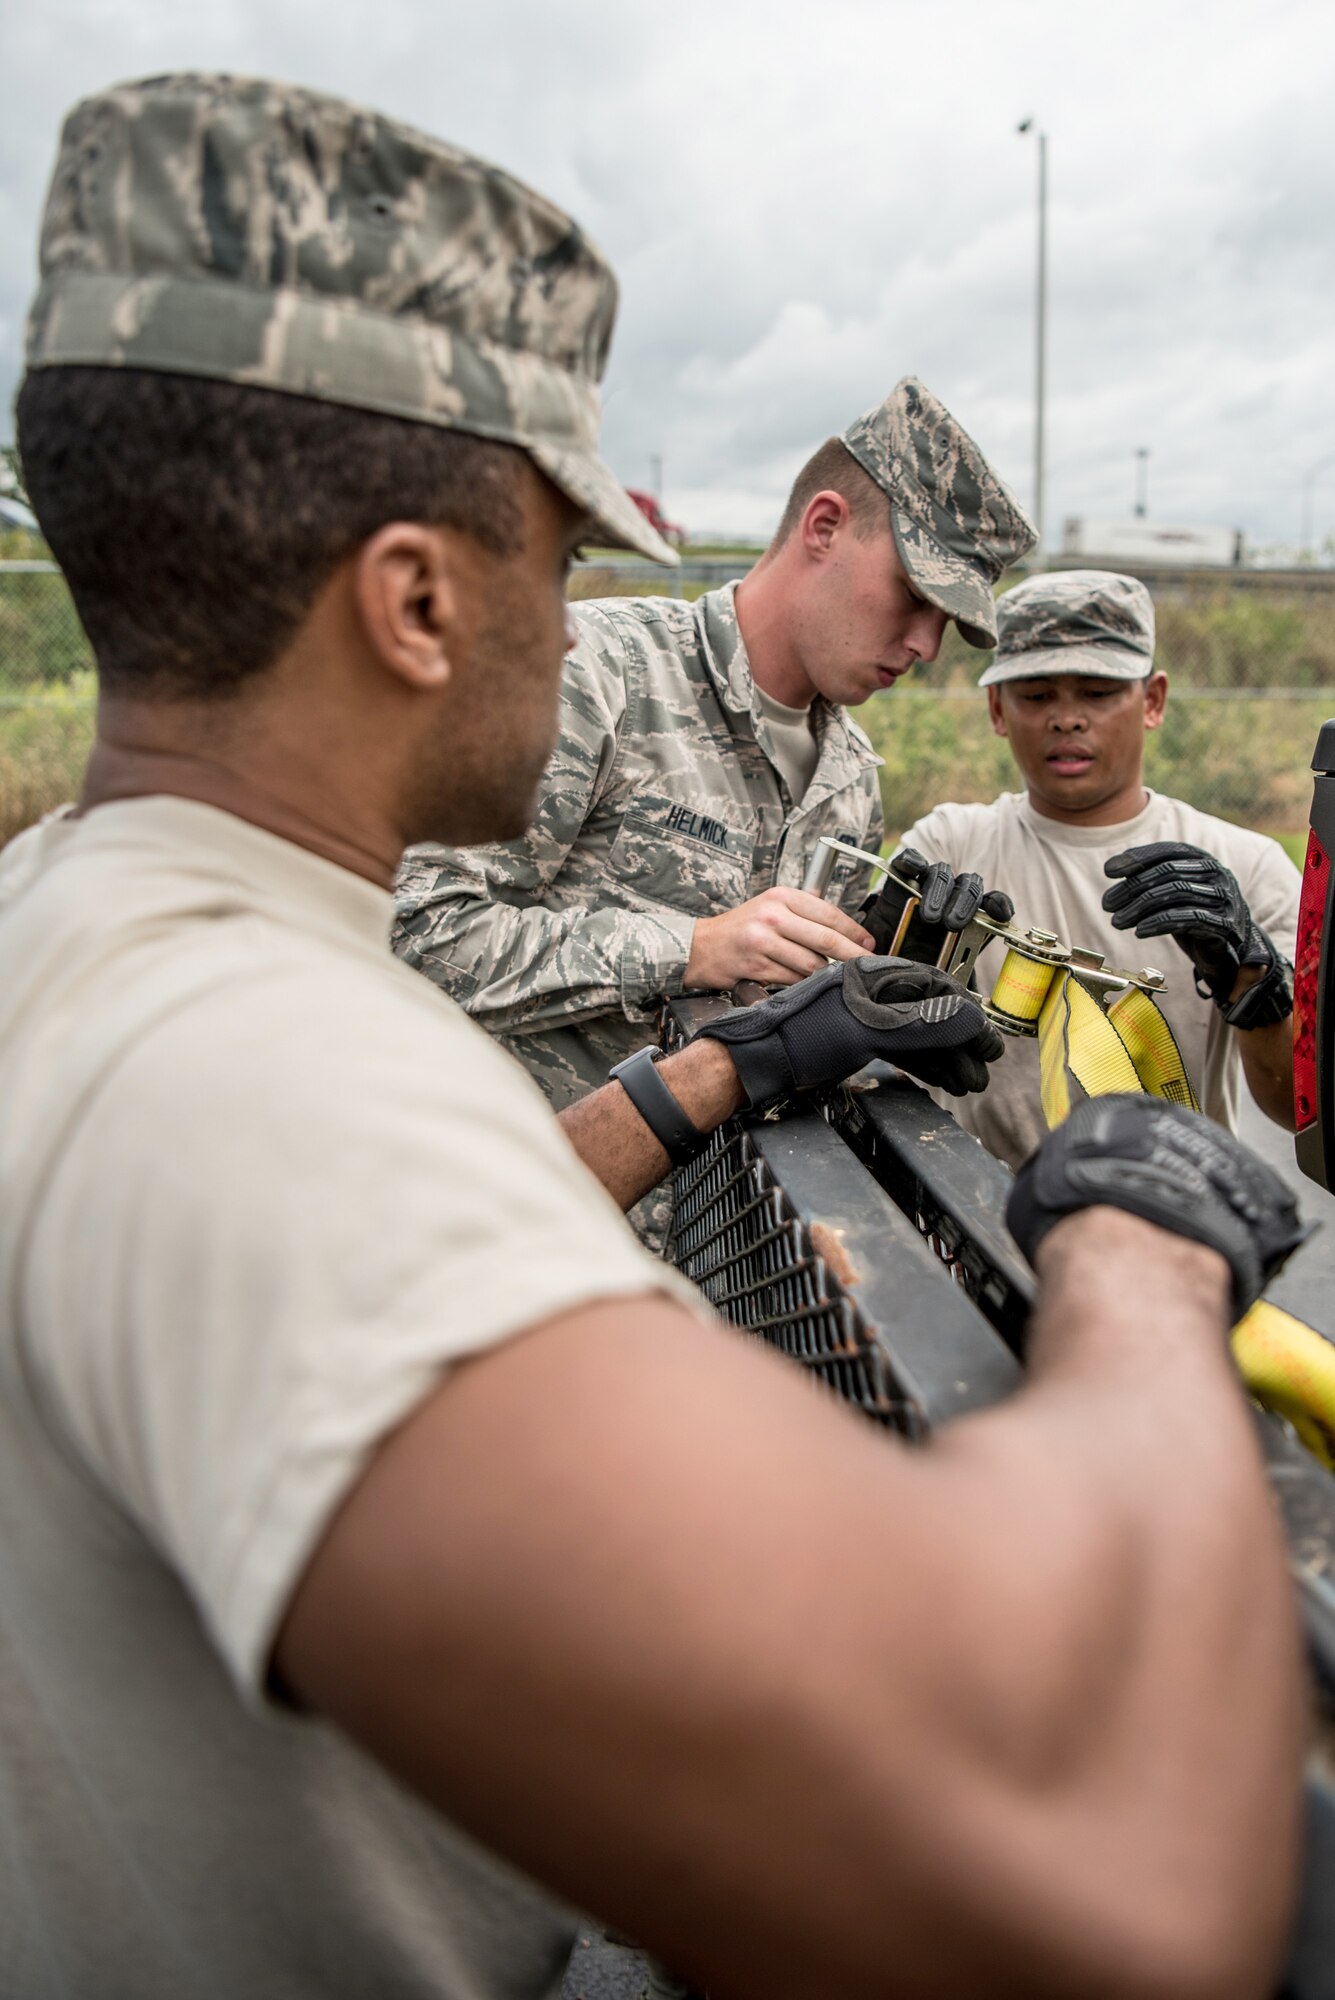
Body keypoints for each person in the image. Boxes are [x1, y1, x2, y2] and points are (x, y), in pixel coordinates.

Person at [0, 73, 1308, 2000]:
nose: (585, 607)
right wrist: (1131, 1262)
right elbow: (1078, 1840)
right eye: (559, 545)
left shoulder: (78, 922)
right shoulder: (265, 1095)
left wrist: (744, 1057)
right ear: (418, 597)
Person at [391, 377, 1036, 1241]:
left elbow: (774, 1035)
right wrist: (691, 948)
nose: (924, 645)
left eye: (947, 625)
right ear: (824, 527)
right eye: (915, 596)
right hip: (509, 1228)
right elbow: (412, 932)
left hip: (722, 1262)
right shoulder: (600, 676)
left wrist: (879, 970)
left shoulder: (849, 778)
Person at [895, 570, 1302, 1170]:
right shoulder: (950, 846)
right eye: (1036, 695)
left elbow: (1300, 1109)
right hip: (978, 1218)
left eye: (1097, 691)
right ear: (997, 708)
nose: (1066, 718)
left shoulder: (1245, 866)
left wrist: (1250, 974)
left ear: (1154, 700)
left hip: (1173, 1216)